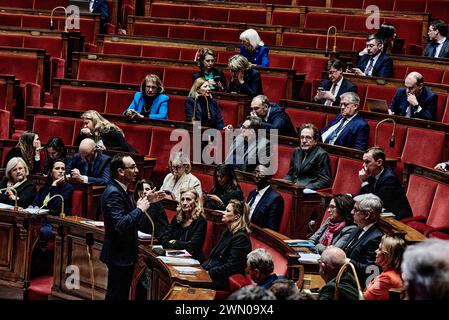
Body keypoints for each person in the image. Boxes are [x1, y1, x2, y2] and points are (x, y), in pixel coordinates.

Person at [100, 154, 165, 300]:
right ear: (120, 171)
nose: (136, 170)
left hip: (123, 254)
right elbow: (121, 224)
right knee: (116, 296)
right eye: (132, 167)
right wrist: (140, 209)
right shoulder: (113, 193)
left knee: (119, 295)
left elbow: (127, 215)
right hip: (119, 255)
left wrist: (148, 200)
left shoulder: (120, 189)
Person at [202, 199, 252, 290]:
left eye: (227, 211)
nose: (223, 213)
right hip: (213, 273)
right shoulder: (228, 231)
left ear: (236, 216)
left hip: (222, 281)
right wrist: (201, 268)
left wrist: (209, 272)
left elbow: (232, 267)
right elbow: (214, 257)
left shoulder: (241, 238)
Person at [358, 147, 412, 220]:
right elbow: (362, 196)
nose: (363, 165)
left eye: (367, 162)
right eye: (364, 161)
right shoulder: (372, 173)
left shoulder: (389, 179)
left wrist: (364, 181)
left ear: (379, 162)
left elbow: (374, 203)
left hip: (397, 219)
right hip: (381, 213)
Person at [344, 193, 384, 287]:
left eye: (356, 210)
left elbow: (372, 269)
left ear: (367, 215)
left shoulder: (375, 238)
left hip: (356, 284)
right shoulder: (358, 228)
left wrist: (345, 260)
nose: (351, 212)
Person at [31, 160, 74, 245]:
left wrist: (54, 186)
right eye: (57, 168)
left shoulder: (68, 188)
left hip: (54, 223)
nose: (61, 171)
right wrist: (33, 208)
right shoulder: (46, 186)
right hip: (40, 219)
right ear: (51, 172)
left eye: (63, 169)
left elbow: (55, 205)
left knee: (42, 231)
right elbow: (35, 203)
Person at [159, 188, 207, 262]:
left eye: (188, 199)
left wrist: (175, 242)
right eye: (182, 199)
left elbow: (193, 246)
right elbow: (165, 237)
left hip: (192, 258)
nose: (184, 203)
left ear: (196, 202)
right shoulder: (177, 217)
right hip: (174, 254)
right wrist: (174, 244)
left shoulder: (200, 221)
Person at [284, 123, 332, 190]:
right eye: (302, 137)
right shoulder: (297, 151)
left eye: (308, 137)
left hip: (306, 192)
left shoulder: (321, 155)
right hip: (293, 188)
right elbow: (291, 173)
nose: (304, 141)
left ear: (315, 141)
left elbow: (324, 181)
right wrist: (284, 182)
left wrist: (304, 188)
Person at [363, 235, 406, 300]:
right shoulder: (392, 272)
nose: (375, 251)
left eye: (380, 249)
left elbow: (363, 298)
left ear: (388, 255)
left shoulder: (386, 278)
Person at [247, 164, 284, 231]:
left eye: (260, 174)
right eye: (255, 172)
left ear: (268, 179)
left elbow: (272, 229)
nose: (256, 176)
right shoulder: (252, 193)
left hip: (258, 235)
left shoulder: (275, 199)